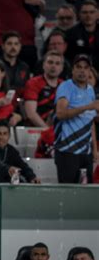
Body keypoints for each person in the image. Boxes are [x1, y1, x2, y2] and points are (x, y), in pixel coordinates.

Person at [54, 54, 99, 183]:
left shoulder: (90, 90)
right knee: (68, 192)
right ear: (73, 69)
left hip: (86, 151)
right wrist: (88, 106)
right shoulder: (65, 87)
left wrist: (94, 149)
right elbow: (61, 113)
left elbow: (90, 122)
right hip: (67, 150)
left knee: (85, 194)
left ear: (90, 71)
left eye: (86, 67)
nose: (82, 70)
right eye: (78, 67)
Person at [0, 0, 44, 70]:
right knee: (2, 77)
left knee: (28, 77)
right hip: (3, 42)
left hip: (27, 43)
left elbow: (38, 8)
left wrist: (41, 3)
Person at [24, 51, 64, 127]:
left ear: (62, 68)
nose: (53, 66)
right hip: (37, 129)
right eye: (50, 62)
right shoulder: (33, 83)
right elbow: (31, 114)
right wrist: (47, 130)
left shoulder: (65, 85)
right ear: (43, 65)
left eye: (57, 63)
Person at [65, 0, 99, 72]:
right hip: (79, 72)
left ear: (97, 14)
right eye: (84, 12)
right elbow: (68, 57)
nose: (88, 15)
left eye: (92, 12)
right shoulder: (70, 34)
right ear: (79, 14)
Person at [0, 60, 22, 125]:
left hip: (8, 127)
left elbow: (20, 113)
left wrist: (17, 117)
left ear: (3, 74)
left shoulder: (10, 92)